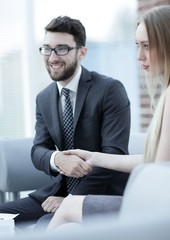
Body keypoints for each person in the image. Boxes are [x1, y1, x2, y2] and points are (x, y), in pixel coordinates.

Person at [46, 5, 170, 230]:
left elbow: (158, 170)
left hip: (160, 209)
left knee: (68, 207)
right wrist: (94, 157)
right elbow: (156, 161)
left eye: (147, 46)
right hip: (159, 202)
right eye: (136, 45)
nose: (138, 56)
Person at [0, 16, 130, 227]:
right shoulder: (43, 98)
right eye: (47, 49)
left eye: (61, 49)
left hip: (100, 195)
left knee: (45, 224)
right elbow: (39, 149)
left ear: (82, 52)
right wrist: (57, 159)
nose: (52, 57)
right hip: (57, 192)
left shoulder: (109, 90)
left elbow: (113, 157)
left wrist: (71, 201)